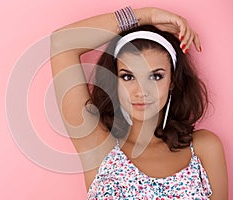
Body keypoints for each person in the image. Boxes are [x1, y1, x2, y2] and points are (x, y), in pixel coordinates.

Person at [50, 6, 228, 199]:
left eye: (155, 76)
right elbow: (61, 44)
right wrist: (145, 16)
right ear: (115, 81)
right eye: (128, 77)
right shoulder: (100, 147)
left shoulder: (203, 148)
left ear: (172, 82)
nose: (141, 91)